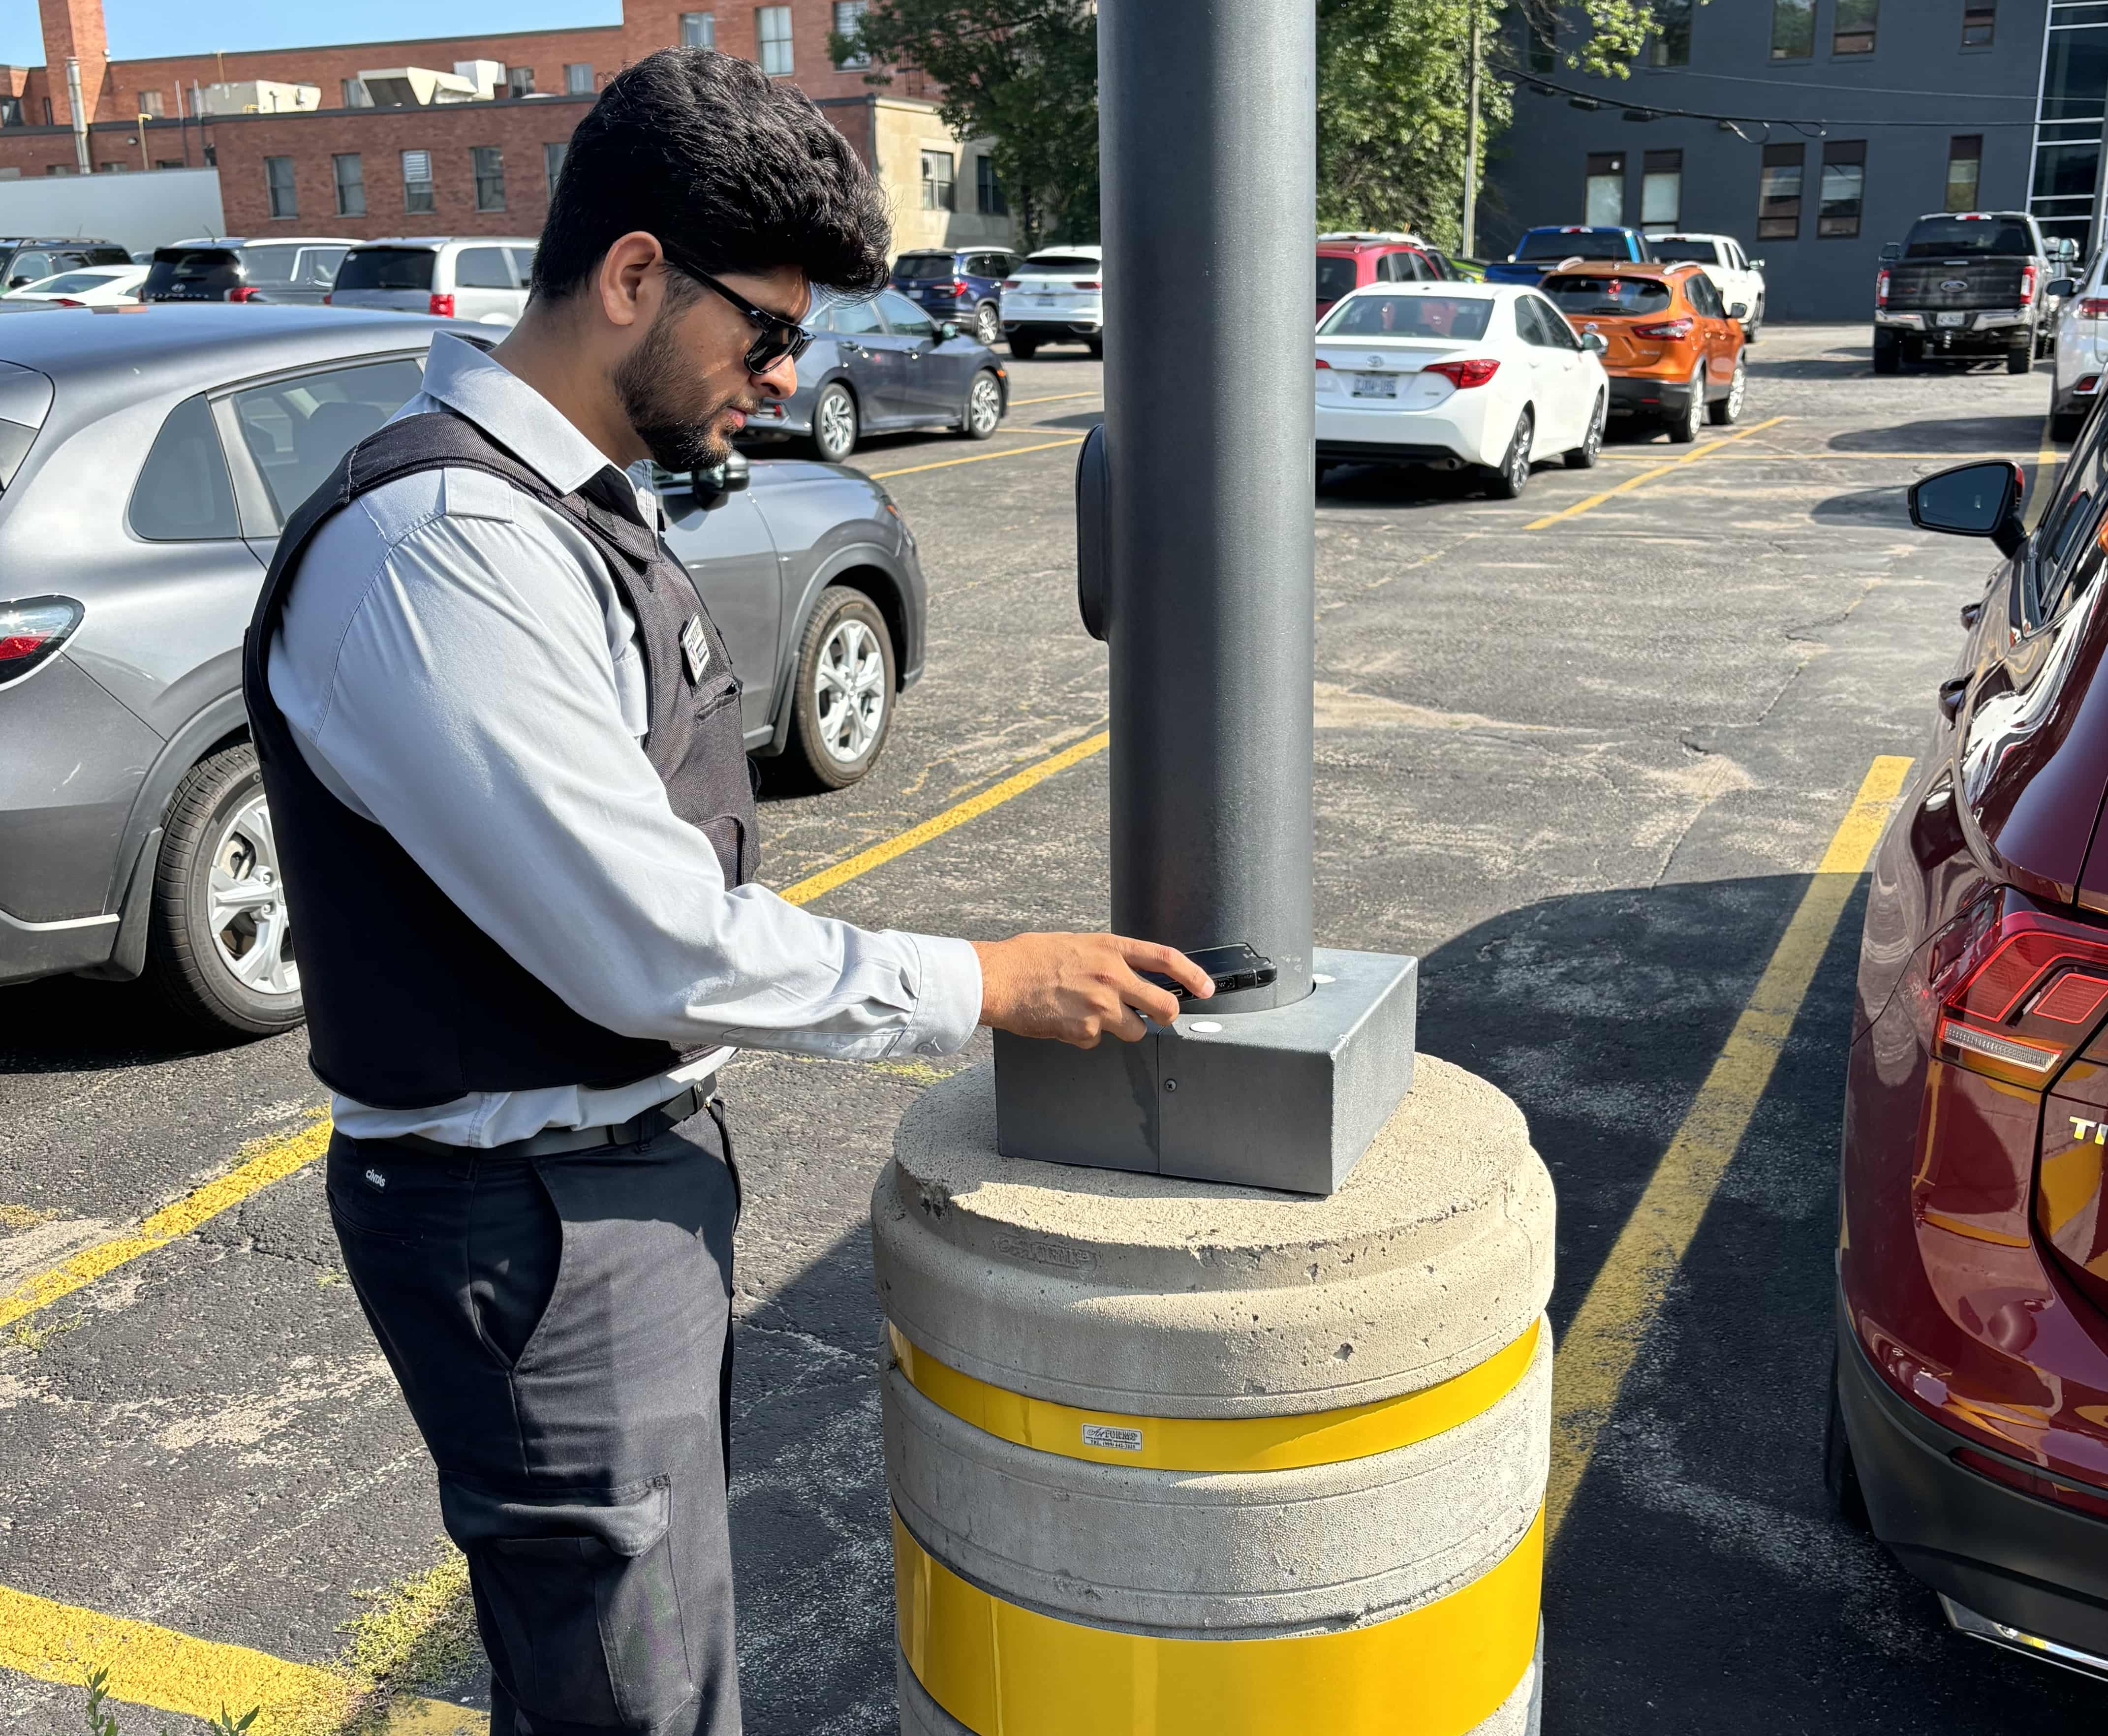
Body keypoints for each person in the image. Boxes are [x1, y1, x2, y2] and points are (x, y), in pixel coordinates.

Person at [241, 47, 1209, 1736]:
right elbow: (647, 945)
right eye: (763, 331)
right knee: (634, 1695)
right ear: (633, 275)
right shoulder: (443, 547)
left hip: (596, 1182)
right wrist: (986, 982)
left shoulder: (559, 509)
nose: (781, 374)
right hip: (529, 1211)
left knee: (646, 1649)